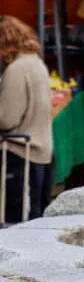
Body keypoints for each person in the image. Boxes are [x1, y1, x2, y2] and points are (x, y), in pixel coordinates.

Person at [0, 15, 53, 223]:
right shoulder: (36, 63)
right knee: (35, 218)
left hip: (18, 154)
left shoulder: (16, 69)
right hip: (40, 152)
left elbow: (7, 119)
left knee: (15, 221)